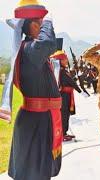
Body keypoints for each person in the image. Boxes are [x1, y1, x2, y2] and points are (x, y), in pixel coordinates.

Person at [7, 1, 63, 179]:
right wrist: (49, 22)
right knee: (33, 173)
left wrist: (44, 22)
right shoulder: (30, 49)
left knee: (39, 171)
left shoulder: (31, 50)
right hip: (35, 122)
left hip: (40, 119)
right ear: (33, 25)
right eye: (40, 22)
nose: (44, 25)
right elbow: (47, 43)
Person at [50, 38, 88, 142]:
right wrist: (81, 91)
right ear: (60, 61)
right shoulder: (62, 72)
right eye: (65, 59)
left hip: (65, 95)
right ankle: (62, 134)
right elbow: (72, 82)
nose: (67, 61)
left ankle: (64, 132)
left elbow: (70, 80)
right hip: (64, 96)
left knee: (65, 115)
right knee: (64, 115)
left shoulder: (62, 71)